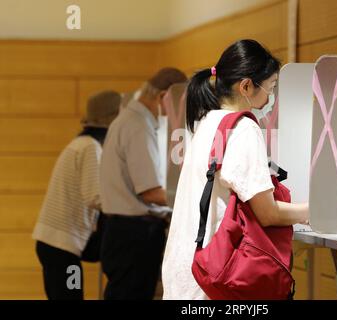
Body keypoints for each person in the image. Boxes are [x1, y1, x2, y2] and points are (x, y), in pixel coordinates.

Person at [162, 39, 310, 300]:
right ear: (246, 86)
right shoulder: (243, 130)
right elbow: (267, 213)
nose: (270, 97)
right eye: (271, 87)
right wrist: (314, 211)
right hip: (215, 278)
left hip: (186, 271)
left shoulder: (207, 122)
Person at [99, 68, 187, 300]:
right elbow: (150, 191)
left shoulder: (127, 119)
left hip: (123, 230)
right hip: (135, 233)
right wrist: (187, 201)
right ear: (163, 97)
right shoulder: (138, 125)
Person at [32, 90, 121, 300]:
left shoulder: (80, 143)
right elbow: (95, 197)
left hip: (53, 243)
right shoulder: (91, 148)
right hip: (62, 245)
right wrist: (126, 203)